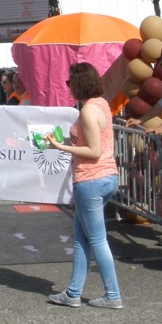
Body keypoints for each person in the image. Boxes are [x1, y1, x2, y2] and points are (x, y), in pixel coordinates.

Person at [46, 62, 123, 309]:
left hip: (90, 178)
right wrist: (68, 140)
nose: (68, 86)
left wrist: (60, 147)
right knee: (81, 238)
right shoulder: (101, 105)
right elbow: (94, 141)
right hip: (105, 176)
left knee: (97, 240)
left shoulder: (89, 110)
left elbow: (93, 150)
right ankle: (73, 292)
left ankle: (113, 295)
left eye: (70, 82)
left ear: (80, 84)